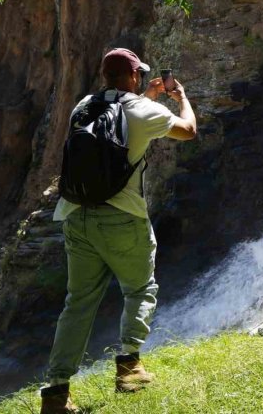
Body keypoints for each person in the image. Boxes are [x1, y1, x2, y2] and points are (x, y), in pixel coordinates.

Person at [40, 48, 197, 414]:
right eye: (138, 75)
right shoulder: (143, 110)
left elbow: (120, 113)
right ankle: (129, 367)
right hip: (122, 216)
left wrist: (149, 97)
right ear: (131, 77)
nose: (141, 79)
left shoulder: (83, 106)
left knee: (78, 304)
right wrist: (182, 98)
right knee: (140, 288)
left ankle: (55, 393)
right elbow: (188, 131)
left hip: (75, 216)